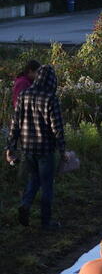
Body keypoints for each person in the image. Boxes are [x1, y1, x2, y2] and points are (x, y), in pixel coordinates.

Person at [5, 65, 66, 229]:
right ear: (52, 80)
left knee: (33, 179)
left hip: (27, 149)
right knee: (47, 185)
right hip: (45, 150)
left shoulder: (24, 95)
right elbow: (57, 127)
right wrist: (63, 150)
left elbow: (15, 123)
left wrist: (10, 146)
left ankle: (25, 204)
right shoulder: (50, 98)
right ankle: (46, 222)